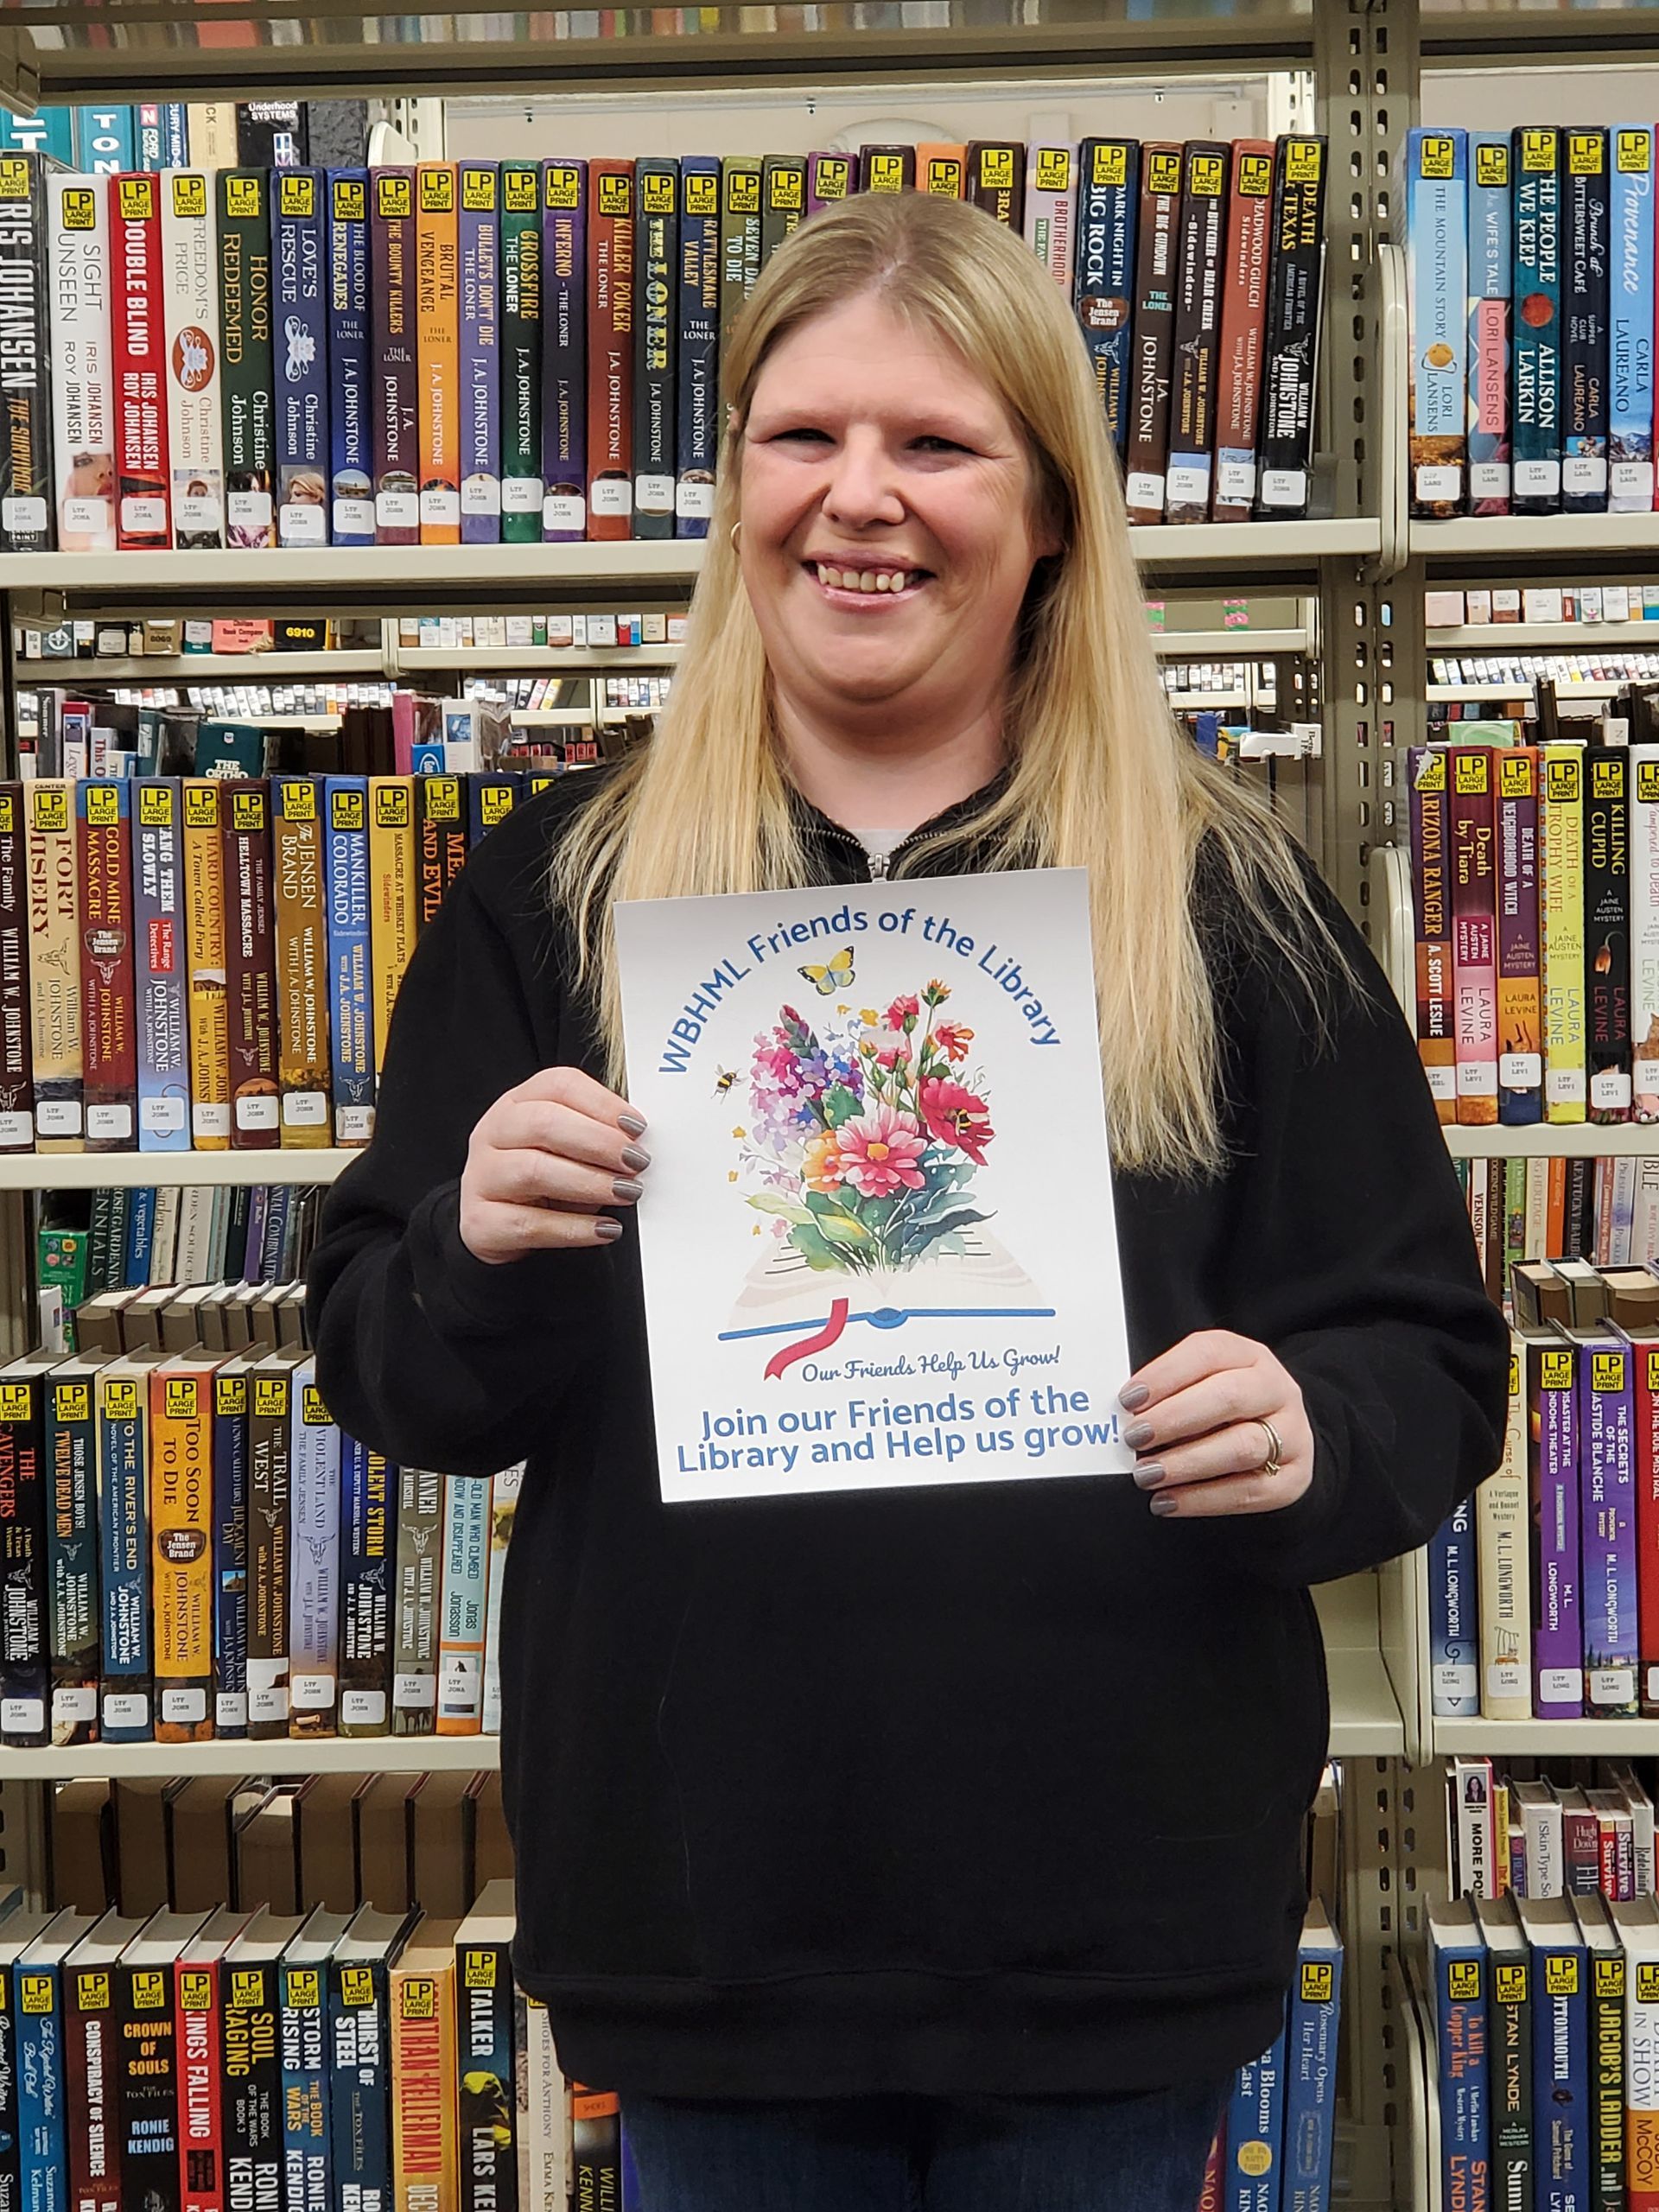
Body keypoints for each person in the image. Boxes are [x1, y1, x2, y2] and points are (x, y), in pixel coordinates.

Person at [305, 190, 1509, 2210]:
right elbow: (394, 1370)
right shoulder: (561, 891)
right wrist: (470, 1247)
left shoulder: (1235, 899)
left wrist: (1317, 1429)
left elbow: (1430, 1358)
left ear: (1047, 514)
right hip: (716, 1920)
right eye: (804, 438)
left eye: (936, 445)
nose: (859, 500)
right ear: (737, 493)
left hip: (1112, 1921)